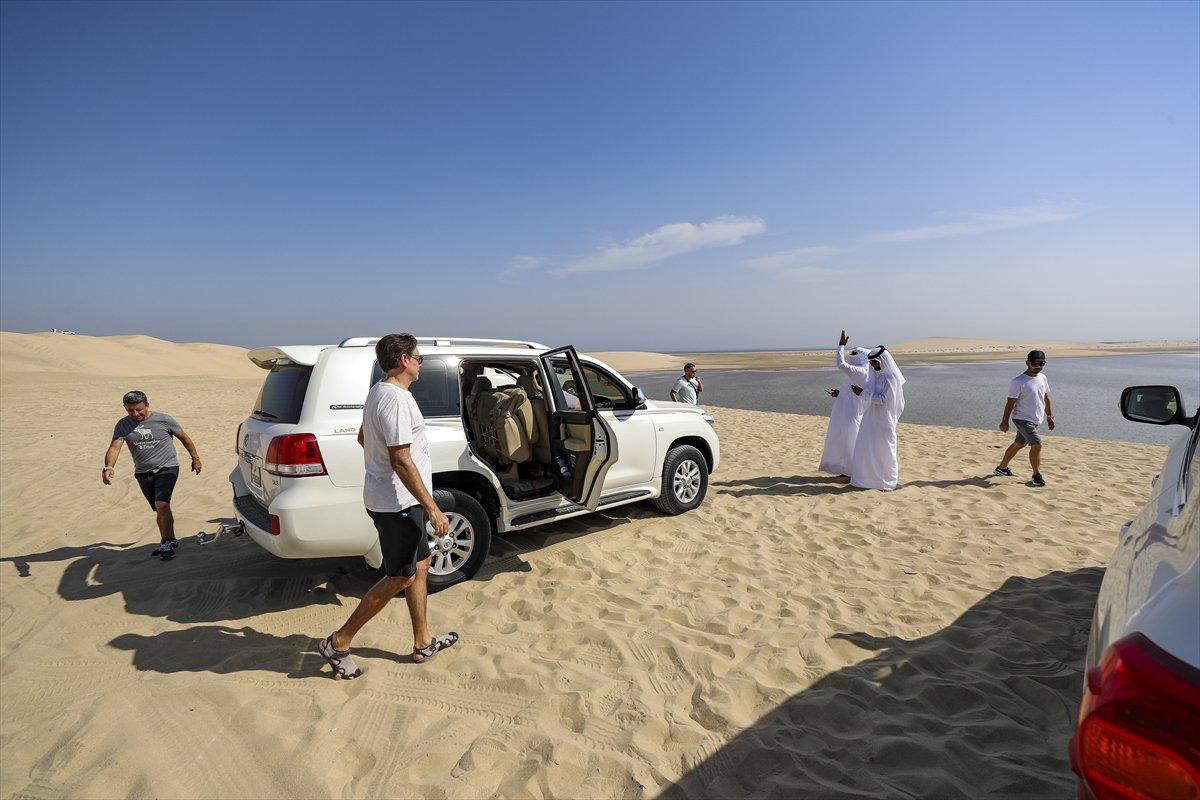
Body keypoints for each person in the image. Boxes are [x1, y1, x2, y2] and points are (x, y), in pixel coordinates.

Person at [318, 333, 459, 679]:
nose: (420, 362)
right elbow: (401, 460)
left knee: (421, 564)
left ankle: (423, 641)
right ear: (403, 361)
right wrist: (433, 508)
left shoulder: (379, 392)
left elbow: (364, 438)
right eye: (418, 356)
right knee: (399, 576)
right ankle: (338, 643)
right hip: (398, 505)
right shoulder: (394, 399)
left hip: (394, 500)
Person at [103, 391, 202, 558]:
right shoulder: (123, 425)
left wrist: (196, 458)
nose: (135, 414)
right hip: (143, 472)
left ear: (147, 405)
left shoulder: (164, 419)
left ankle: (166, 544)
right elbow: (114, 447)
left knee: (161, 504)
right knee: (159, 508)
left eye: (139, 409)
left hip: (167, 467)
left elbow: (184, 438)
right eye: (130, 411)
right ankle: (169, 539)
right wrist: (108, 467)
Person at [849, 346, 906, 491]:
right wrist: (862, 392)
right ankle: (868, 480)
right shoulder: (875, 375)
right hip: (871, 417)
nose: (873, 366)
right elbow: (870, 392)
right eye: (872, 363)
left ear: (883, 361)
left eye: (875, 362)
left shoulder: (891, 378)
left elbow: (884, 399)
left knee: (884, 450)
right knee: (868, 447)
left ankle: (886, 482)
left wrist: (863, 393)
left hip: (884, 419)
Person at [995, 349, 1054, 487]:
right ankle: (1036, 475)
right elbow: (1010, 403)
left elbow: (1046, 397)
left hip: (1035, 419)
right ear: (1027, 362)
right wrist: (1004, 422)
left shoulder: (1043, 378)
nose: (1037, 367)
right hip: (1021, 418)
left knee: (1019, 444)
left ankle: (1001, 468)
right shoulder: (1018, 381)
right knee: (1037, 444)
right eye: (1034, 364)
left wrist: (1050, 416)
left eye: (1041, 364)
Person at [819, 330, 870, 479]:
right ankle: (846, 471)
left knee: (851, 443)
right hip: (845, 411)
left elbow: (841, 364)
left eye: (854, 355)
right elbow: (854, 391)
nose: (851, 357)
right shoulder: (858, 373)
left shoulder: (861, 371)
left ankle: (854, 473)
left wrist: (841, 345)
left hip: (852, 414)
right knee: (844, 442)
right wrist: (840, 393)